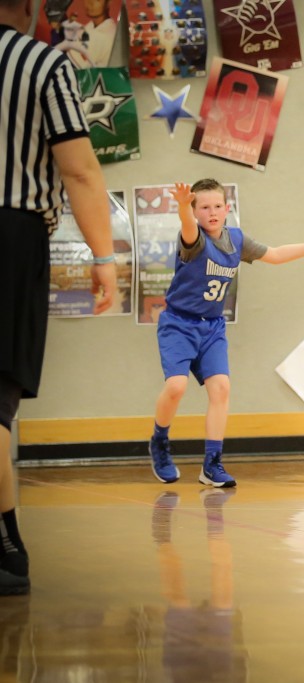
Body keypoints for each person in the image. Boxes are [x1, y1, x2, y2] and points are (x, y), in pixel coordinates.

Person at [1, 0, 117, 596]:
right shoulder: (42, 64)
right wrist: (104, 257)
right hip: (11, 234)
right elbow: (79, 171)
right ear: (26, 8)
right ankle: (3, 544)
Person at [149, 180, 304, 488]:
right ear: (195, 211)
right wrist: (183, 206)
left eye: (217, 206)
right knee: (176, 387)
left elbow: (273, 254)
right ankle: (159, 441)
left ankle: (212, 464)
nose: (212, 212)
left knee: (221, 388)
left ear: (227, 208)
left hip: (211, 326)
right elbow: (186, 225)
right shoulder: (193, 239)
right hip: (179, 324)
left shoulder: (235, 239)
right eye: (204, 207)